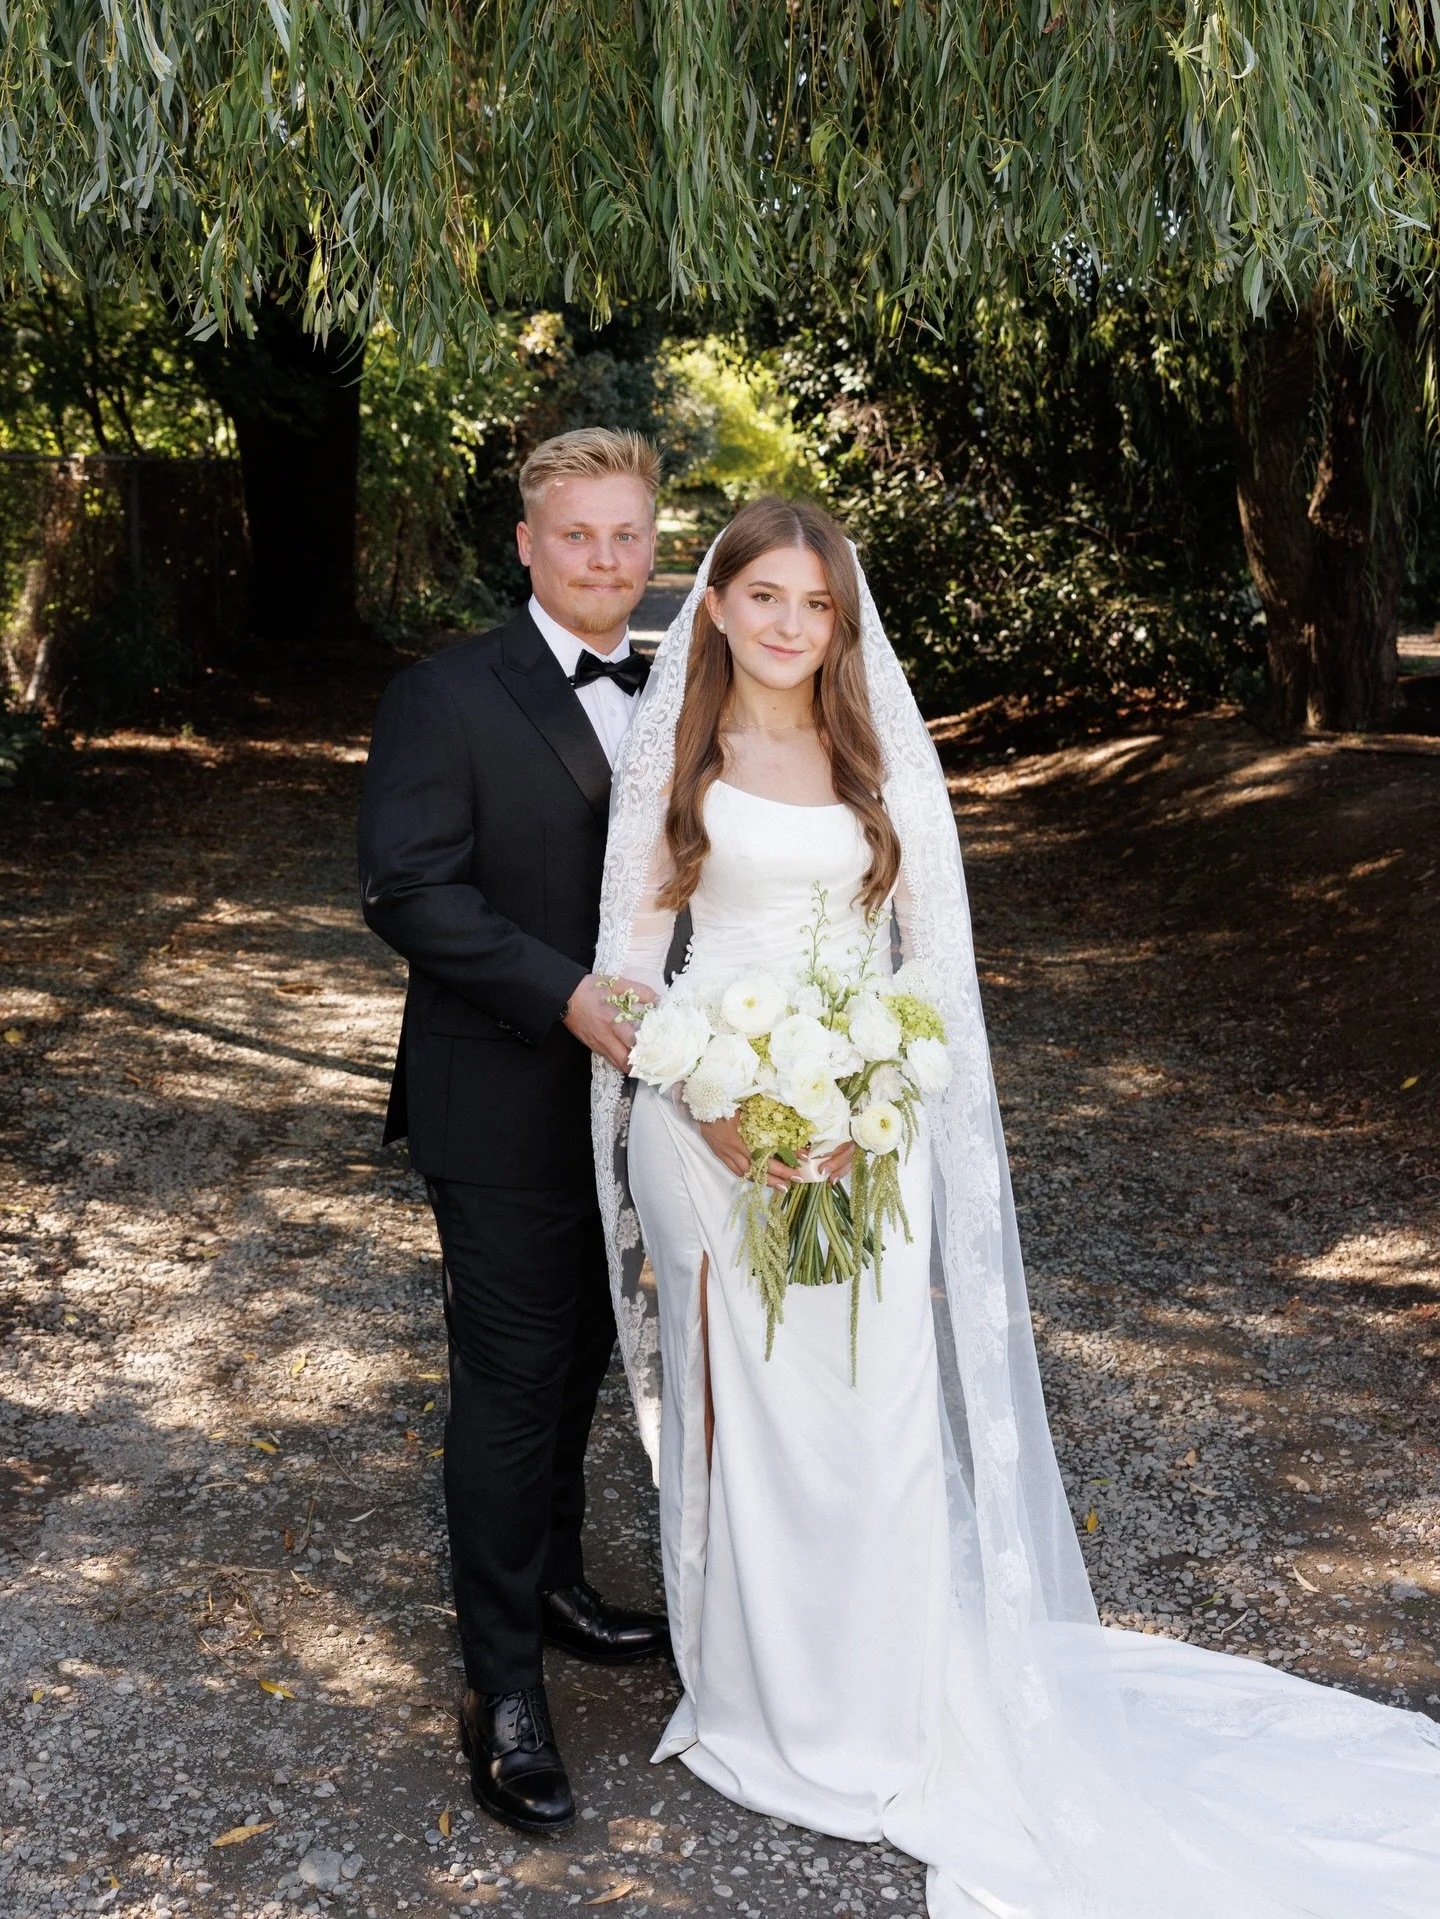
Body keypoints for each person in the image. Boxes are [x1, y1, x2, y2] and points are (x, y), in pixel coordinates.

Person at [592, 495, 1440, 1917]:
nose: (791, 626)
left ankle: (888, 1706)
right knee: (755, 1417)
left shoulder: (875, 754)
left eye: (817, 604)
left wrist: (871, 1092)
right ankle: (763, 1697)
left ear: (842, 623)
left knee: (872, 1417)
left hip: (864, 1127)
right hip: (709, 1126)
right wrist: (710, 1101)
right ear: (717, 605)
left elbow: (932, 967)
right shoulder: (671, 756)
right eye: (766, 598)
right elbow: (625, 972)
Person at [358, 427, 670, 1838]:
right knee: (509, 1381)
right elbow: (410, 891)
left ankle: (554, 1583)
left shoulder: (679, 693)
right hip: (498, 1099)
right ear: (528, 545)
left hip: (646, 1108)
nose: (604, 558)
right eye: (577, 534)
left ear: (651, 545)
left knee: (586, 1358)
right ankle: (500, 1687)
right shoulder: (445, 695)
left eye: (627, 534)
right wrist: (568, 997)